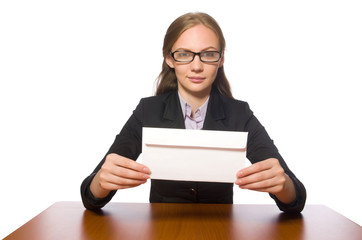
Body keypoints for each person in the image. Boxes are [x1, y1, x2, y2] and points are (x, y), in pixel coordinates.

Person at [80, 12, 306, 213]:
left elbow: (296, 198)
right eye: (184, 54)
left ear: (221, 59)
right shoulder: (147, 111)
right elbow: (90, 198)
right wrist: (102, 180)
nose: (196, 66)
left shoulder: (240, 114)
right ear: (170, 59)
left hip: (219, 231)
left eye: (208, 54)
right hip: (162, 231)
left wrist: (283, 185)